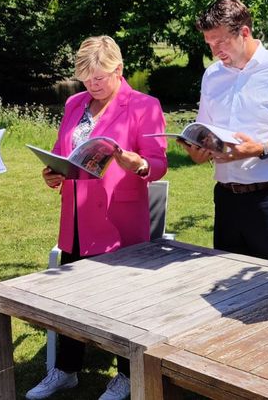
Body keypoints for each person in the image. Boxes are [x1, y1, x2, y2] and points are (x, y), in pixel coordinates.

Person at [26, 36, 169, 400]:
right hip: (75, 217)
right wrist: (52, 173)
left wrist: (137, 163)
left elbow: (157, 163)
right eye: (87, 78)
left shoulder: (144, 106)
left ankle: (125, 372)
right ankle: (67, 370)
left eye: (100, 77)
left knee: (123, 300)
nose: (93, 85)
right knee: (71, 297)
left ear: (118, 70)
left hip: (118, 219)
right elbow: (63, 152)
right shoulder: (75, 103)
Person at [182, 0, 268, 264]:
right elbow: (204, 130)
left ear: (244, 32)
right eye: (209, 44)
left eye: (220, 42)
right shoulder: (212, 76)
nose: (215, 51)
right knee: (226, 286)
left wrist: (260, 149)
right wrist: (199, 150)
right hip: (225, 199)